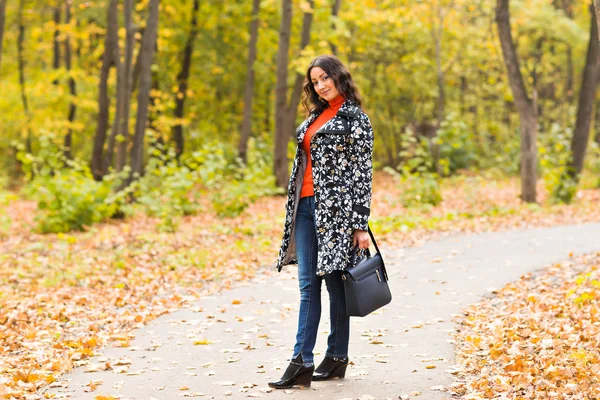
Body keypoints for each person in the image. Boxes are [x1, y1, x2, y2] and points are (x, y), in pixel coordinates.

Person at [269, 54, 374, 389]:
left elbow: (362, 174)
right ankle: (309, 359)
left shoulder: (356, 119)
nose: (321, 85)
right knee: (307, 284)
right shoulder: (314, 115)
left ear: (338, 76)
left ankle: (330, 357)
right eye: (315, 81)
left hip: (337, 213)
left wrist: (360, 224)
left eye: (325, 78)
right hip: (303, 206)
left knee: (334, 283)